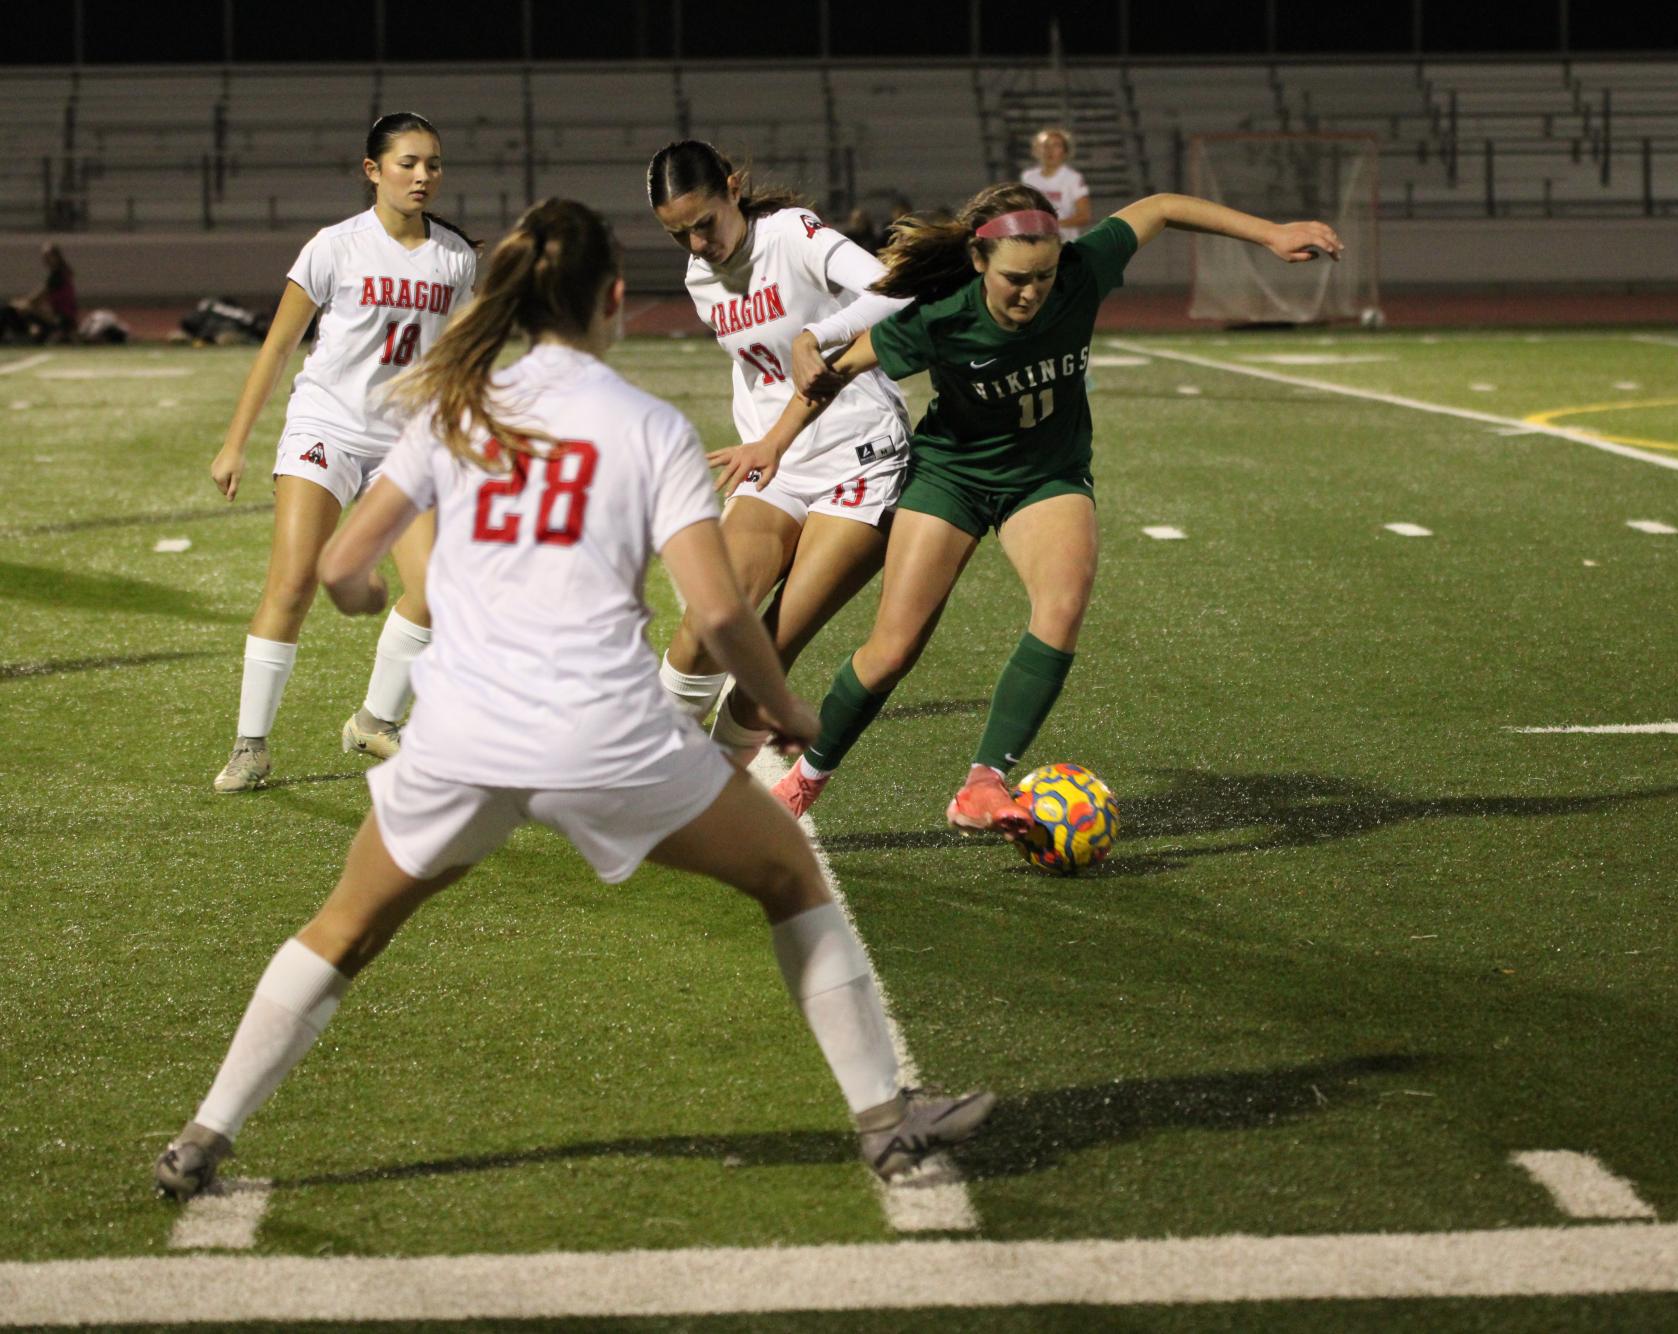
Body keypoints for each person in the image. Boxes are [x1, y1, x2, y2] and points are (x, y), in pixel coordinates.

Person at [152, 198, 992, 1203]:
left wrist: (363, 592)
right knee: (788, 872)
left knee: (345, 927)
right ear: (614, 300)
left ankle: (203, 1133)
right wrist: (784, 708)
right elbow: (721, 614)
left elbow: (340, 564)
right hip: (606, 736)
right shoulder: (647, 426)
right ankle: (886, 1124)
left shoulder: (454, 405)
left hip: (462, 732)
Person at [753, 184, 1339, 832]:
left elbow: (1165, 207)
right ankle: (805, 780)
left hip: (1046, 476)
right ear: (978, 263)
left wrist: (1271, 233)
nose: (1029, 293)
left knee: (1061, 606)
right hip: (952, 476)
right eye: (1013, 279)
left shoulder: (1084, 270)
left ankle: (982, 783)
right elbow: (830, 375)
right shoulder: (941, 317)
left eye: (1042, 275)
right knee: (891, 651)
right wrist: (773, 444)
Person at [207, 112, 480, 793]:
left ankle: (374, 720)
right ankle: (251, 745)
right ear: (372, 170)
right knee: (294, 581)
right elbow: (276, 349)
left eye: (434, 165)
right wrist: (234, 443)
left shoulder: (455, 257)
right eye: (409, 163)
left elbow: (463, 359)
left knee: (436, 588)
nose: (423, 176)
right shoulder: (334, 247)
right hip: (326, 427)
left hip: (405, 442)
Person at [645, 141, 913, 762]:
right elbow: (759, 371)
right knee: (712, 623)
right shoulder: (698, 276)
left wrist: (823, 331)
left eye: (704, 223)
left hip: (861, 461)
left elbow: (897, 290)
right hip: (775, 461)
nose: (696, 244)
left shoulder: (791, 234)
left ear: (732, 189)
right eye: (678, 233)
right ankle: (647, 769)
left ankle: (716, 797)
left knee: (765, 657)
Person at [1020, 128, 1090, 242]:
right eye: (1045, 145)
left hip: (1064, 241)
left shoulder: (1073, 178)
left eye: (1056, 146)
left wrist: (1052, 224)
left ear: (1065, 151)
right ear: (1036, 150)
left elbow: (1084, 216)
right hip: (1036, 242)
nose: (1049, 150)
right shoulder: (1028, 177)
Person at [11, 242, 78, 343]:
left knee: (18, 309)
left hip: (62, 320)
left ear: (56, 257)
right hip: (61, 318)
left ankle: (21, 337)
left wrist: (17, 304)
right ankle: (38, 333)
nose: (45, 260)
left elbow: (34, 299)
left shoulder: (57, 277)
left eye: (47, 256)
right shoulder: (62, 273)